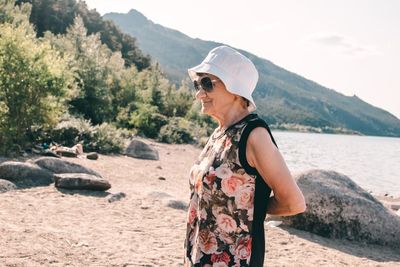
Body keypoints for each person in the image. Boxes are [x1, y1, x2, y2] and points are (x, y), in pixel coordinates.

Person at [184, 46, 306, 267]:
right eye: (197, 84)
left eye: (207, 84)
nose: (199, 93)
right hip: (201, 256)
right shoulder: (221, 132)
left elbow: (293, 202)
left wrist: (255, 209)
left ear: (235, 88)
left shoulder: (254, 135)